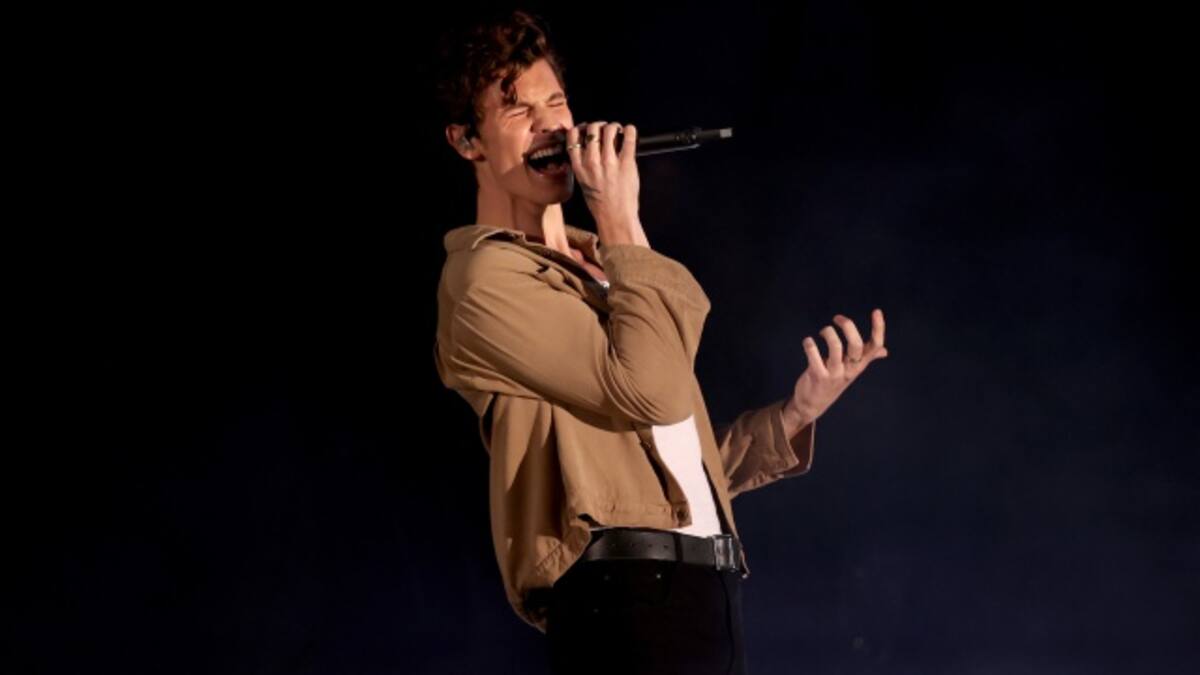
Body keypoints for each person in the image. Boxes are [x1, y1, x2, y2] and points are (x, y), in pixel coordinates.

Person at [430, 9, 888, 674]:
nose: (550, 125)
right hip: (622, 598)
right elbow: (651, 389)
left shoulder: (604, 265)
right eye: (518, 110)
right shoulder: (486, 280)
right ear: (467, 140)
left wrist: (794, 415)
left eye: (556, 102)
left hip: (701, 591)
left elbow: (661, 463)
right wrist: (620, 216)